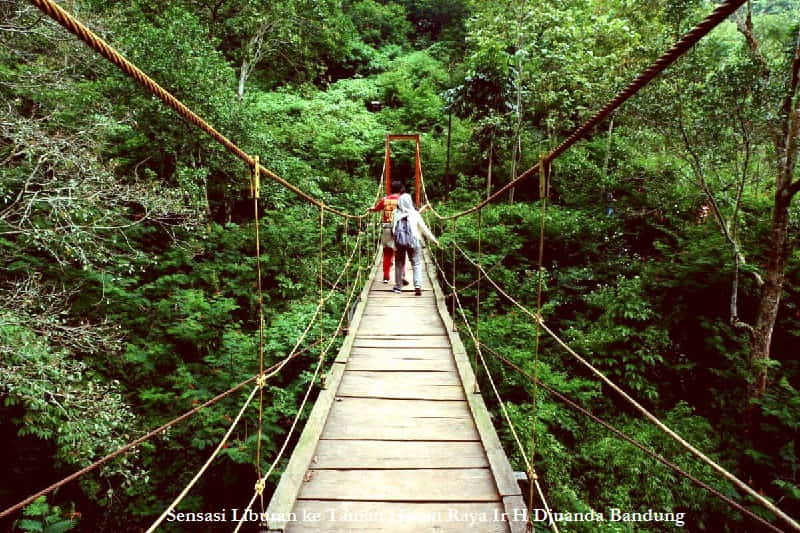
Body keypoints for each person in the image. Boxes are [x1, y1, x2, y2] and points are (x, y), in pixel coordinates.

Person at [391, 193, 438, 296]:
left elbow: (393, 229)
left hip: (399, 242)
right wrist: (434, 240)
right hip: (414, 241)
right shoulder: (415, 214)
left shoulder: (395, 213)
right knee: (416, 263)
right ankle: (418, 285)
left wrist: (393, 244)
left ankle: (398, 287)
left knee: (399, 264)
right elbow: (424, 228)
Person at [367, 180, 406, 284]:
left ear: (391, 189)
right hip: (400, 229)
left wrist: (371, 209)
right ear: (401, 190)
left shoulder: (385, 200)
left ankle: (386, 276)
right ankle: (402, 275)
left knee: (387, 252)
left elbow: (376, 209)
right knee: (400, 253)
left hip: (387, 228)